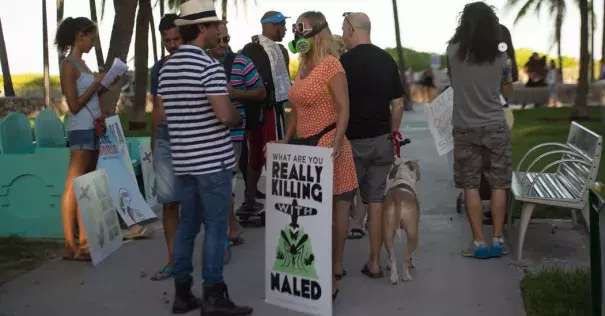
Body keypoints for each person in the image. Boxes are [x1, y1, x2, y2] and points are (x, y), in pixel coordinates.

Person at [158, 1, 252, 315]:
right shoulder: (208, 66)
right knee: (215, 227)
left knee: (187, 227)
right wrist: (239, 119)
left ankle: (182, 295)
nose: (217, 33)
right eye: (213, 27)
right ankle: (213, 295)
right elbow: (224, 114)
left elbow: (166, 115)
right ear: (201, 29)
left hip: (184, 161)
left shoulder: (168, 67)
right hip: (212, 163)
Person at [284, 10, 358, 301]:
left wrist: (337, 141)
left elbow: (344, 107)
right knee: (307, 215)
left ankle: (335, 267)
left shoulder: (331, 66)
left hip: (328, 146)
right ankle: (313, 265)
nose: (297, 36)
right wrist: (285, 140)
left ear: (318, 33)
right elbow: (296, 110)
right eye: (295, 30)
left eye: (302, 30)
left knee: (335, 214)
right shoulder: (301, 66)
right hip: (304, 149)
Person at [446, 1, 513, 259]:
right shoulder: (500, 55)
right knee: (499, 184)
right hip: (495, 125)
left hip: (464, 128)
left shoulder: (453, 51)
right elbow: (508, 89)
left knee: (470, 185)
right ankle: (497, 240)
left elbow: (453, 82)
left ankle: (478, 244)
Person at [340, 12, 405, 278]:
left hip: (351, 142)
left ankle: (336, 266)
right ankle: (375, 263)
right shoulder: (386, 59)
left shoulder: (342, 63)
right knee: (376, 201)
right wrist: (391, 132)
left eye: (344, 30)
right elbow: (398, 104)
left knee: (343, 201)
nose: (343, 35)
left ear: (353, 31)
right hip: (381, 141)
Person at [55, 17, 115, 261]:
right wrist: (95, 85)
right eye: (91, 37)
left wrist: (106, 83)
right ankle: (70, 244)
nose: (93, 42)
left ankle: (85, 242)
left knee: (86, 184)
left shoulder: (84, 65)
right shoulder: (69, 65)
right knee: (74, 183)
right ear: (80, 35)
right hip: (80, 128)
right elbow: (73, 105)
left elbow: (89, 97)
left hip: (93, 128)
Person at [209, 23, 266, 245]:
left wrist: (236, 93)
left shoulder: (242, 62)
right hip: (205, 134)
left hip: (233, 134)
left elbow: (261, 92)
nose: (223, 44)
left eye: (227, 39)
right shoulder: (202, 63)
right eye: (219, 39)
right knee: (215, 182)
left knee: (226, 182)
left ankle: (228, 228)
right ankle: (230, 226)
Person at [238, 11, 291, 216]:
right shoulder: (279, 50)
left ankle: (250, 200)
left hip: (253, 111)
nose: (285, 30)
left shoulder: (248, 48)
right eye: (282, 26)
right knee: (276, 156)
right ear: (271, 26)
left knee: (256, 157)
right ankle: (279, 204)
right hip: (271, 111)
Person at [149, 13, 182, 281]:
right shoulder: (157, 69)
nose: (171, 45)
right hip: (165, 139)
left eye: (176, 39)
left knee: (199, 204)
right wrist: (154, 145)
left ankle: (218, 246)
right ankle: (173, 261)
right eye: (167, 40)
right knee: (170, 203)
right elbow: (156, 109)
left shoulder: (199, 64)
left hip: (192, 139)